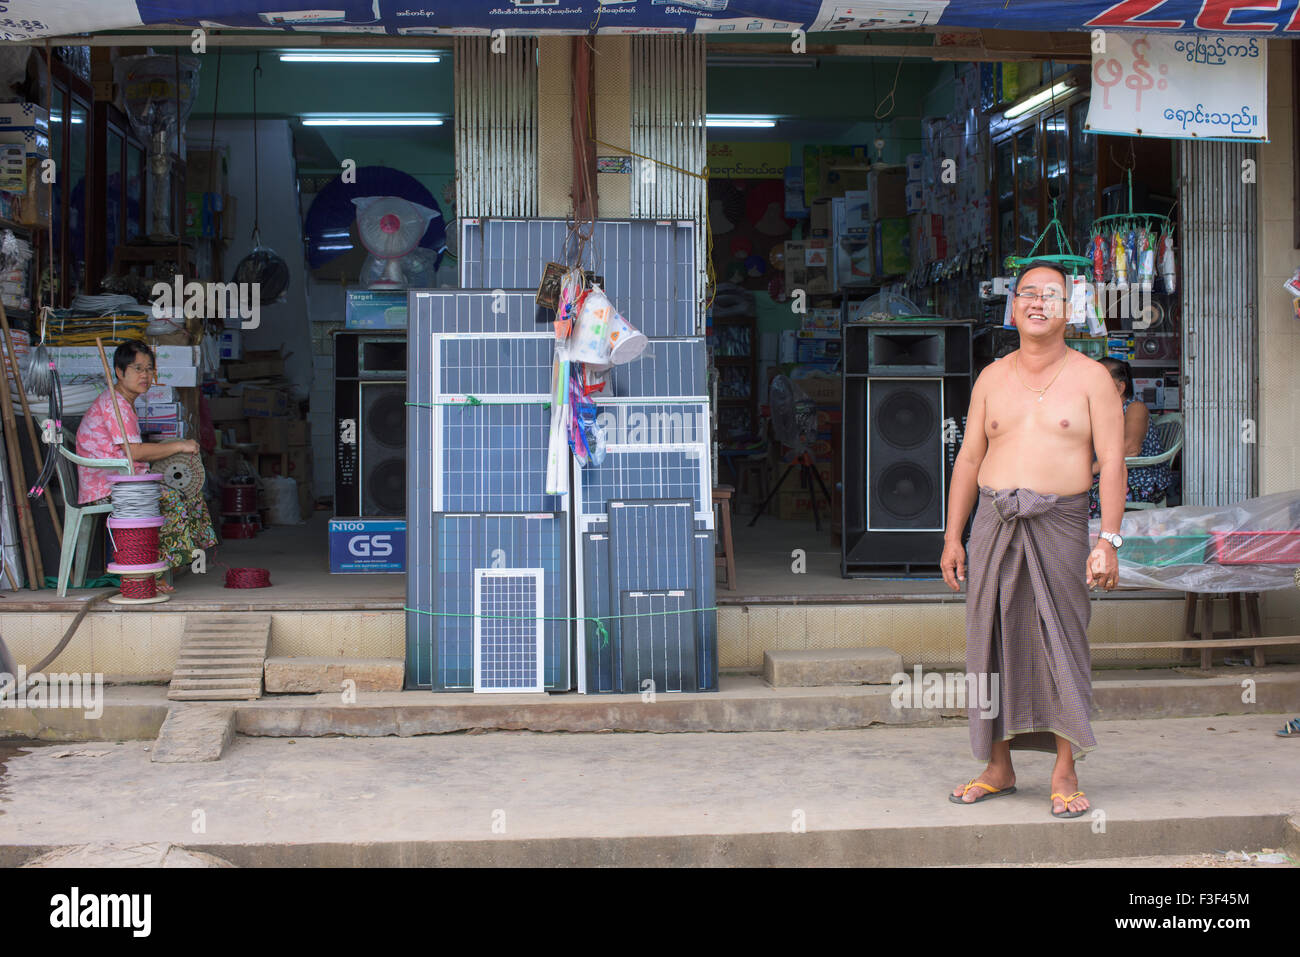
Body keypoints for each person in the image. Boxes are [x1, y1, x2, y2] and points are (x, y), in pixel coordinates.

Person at [940, 261, 1126, 819]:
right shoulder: (992, 377)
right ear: (1013, 306)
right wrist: (954, 537)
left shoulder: (1093, 378)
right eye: (1028, 293)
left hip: (1061, 524)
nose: (1039, 302)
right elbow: (969, 458)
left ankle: (1064, 769)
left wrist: (1109, 539)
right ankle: (998, 766)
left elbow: (1114, 462)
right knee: (988, 644)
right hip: (993, 523)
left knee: (1062, 643)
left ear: (1069, 310)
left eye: (1052, 295)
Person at [75, 341, 216, 592]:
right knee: (172, 498)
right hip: (105, 487)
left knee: (189, 494)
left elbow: (131, 452)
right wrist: (180, 446)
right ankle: (153, 571)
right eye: (137, 368)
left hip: (122, 480)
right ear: (120, 372)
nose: (145, 375)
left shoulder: (124, 402)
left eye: (149, 369)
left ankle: (173, 563)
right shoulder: (115, 405)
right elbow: (135, 452)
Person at [1088, 357, 1172, 516]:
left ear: (1119, 388)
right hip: (1110, 476)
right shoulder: (1100, 415)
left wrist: (1089, 470)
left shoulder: (1135, 408)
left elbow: (1131, 447)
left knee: (1072, 498)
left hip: (1138, 481)